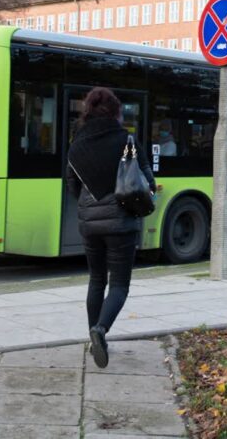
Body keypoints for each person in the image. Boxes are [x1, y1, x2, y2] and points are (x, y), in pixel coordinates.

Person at [66, 87, 156, 369]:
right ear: (116, 111)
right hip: (121, 222)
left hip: (89, 224)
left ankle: (95, 339)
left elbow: (72, 185)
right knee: (118, 284)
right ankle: (101, 330)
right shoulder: (125, 139)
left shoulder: (76, 143)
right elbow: (146, 177)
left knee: (96, 280)